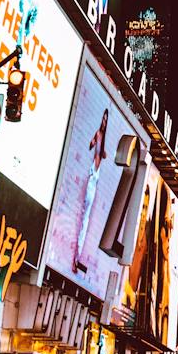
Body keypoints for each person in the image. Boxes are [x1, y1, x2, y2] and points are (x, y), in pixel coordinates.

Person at [72, 109, 108, 275]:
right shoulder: (99, 135)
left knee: (85, 220)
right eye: (104, 119)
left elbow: (101, 154)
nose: (104, 122)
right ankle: (75, 257)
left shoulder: (103, 139)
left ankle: (77, 257)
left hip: (95, 179)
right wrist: (95, 141)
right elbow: (90, 145)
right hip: (92, 176)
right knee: (82, 219)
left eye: (106, 120)